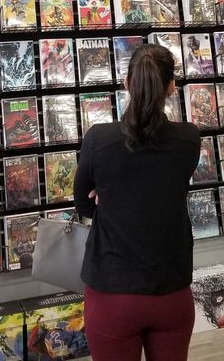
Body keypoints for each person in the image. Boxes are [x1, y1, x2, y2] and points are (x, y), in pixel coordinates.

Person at [74, 44, 201, 361]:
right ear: (171, 87)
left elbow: (83, 203)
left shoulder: (98, 139)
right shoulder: (189, 139)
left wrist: (109, 198)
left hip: (112, 291)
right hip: (171, 288)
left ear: (127, 82)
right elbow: (163, 185)